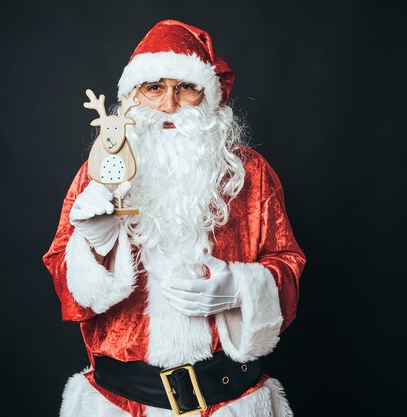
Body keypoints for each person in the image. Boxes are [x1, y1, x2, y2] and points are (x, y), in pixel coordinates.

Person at [43, 19, 306, 417]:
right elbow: (66, 286)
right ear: (131, 97)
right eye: (154, 88)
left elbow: (287, 261)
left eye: (185, 88)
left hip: (229, 402)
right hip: (119, 405)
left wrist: (241, 290)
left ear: (208, 96)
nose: (168, 105)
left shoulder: (249, 173)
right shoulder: (99, 172)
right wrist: (94, 250)